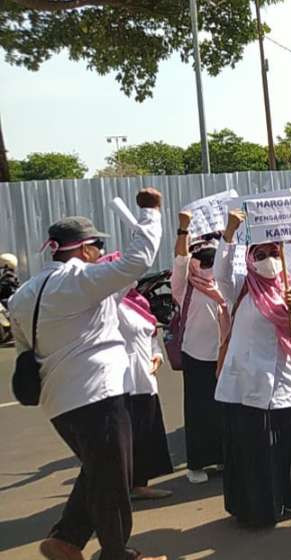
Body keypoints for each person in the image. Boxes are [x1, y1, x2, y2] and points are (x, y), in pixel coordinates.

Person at [8, 189, 165, 560]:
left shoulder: (26, 293)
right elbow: (137, 260)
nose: (98, 252)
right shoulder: (77, 281)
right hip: (97, 397)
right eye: (97, 245)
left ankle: (66, 540)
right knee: (114, 481)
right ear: (85, 248)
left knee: (99, 472)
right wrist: (150, 213)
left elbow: (23, 347)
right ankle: (117, 554)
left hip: (60, 403)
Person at [214, 210, 291, 527]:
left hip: (286, 381)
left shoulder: (289, 287)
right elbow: (221, 272)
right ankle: (260, 505)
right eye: (262, 254)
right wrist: (230, 232)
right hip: (249, 383)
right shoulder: (242, 288)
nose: (270, 259)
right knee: (256, 446)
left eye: (275, 253)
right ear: (250, 258)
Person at [101, 253, 174, 501]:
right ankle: (121, 487)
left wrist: (157, 355)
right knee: (125, 437)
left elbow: (150, 333)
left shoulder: (138, 303)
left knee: (145, 433)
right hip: (123, 379)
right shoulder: (109, 303)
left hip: (145, 377)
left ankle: (139, 484)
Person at [172, 213, 227, 484]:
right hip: (196, 355)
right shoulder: (184, 287)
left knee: (224, 410)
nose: (207, 265)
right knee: (198, 412)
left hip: (224, 355)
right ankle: (197, 464)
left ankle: (223, 456)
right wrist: (183, 229)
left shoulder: (222, 285)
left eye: (212, 260)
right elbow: (180, 259)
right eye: (203, 260)